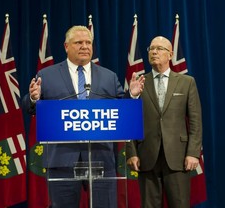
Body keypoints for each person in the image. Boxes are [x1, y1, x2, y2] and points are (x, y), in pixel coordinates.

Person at [22, 25, 145, 208]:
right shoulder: (47, 76)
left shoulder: (108, 77)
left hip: (101, 157)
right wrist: (33, 98)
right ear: (66, 46)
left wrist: (132, 96)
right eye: (78, 42)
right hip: (62, 160)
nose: (84, 46)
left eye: (88, 42)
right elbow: (29, 107)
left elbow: (120, 111)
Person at [126, 36, 202, 208]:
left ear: (170, 54)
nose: (154, 52)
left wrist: (193, 152)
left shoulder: (186, 82)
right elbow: (130, 121)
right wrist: (131, 152)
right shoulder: (139, 83)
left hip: (178, 157)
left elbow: (196, 121)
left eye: (159, 48)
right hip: (147, 156)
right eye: (151, 48)